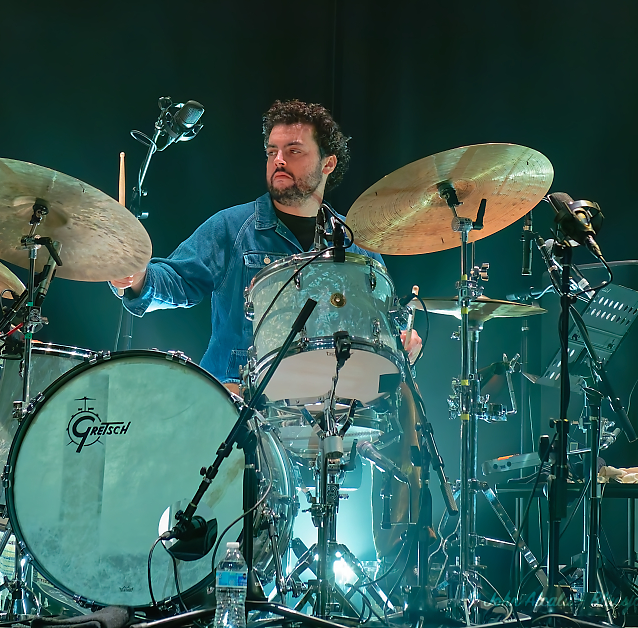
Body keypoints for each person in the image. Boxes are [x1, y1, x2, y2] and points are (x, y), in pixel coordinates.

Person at [109, 99, 423, 577]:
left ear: (327, 163)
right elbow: (175, 280)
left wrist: (401, 350)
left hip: (321, 416)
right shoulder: (232, 228)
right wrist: (136, 280)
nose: (279, 160)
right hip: (234, 405)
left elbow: (374, 335)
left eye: (294, 150)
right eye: (273, 150)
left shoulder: (354, 249)